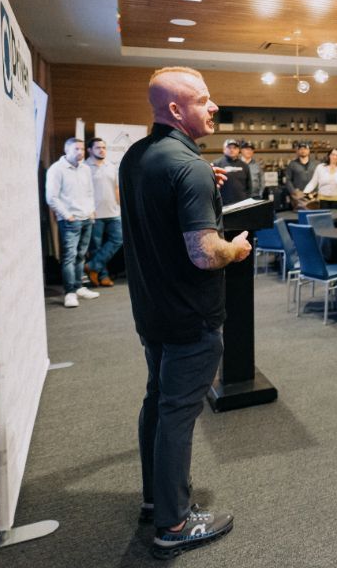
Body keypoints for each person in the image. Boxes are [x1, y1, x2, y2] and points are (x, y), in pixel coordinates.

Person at [120, 66, 249, 557]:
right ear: (176, 109)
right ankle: (173, 525)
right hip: (190, 315)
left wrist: (202, 185)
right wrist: (235, 249)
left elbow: (158, 205)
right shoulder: (188, 166)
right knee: (177, 413)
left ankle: (158, 500)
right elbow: (203, 252)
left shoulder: (137, 157)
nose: (214, 106)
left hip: (151, 309)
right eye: (203, 99)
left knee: (158, 401)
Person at [46, 137, 99, 308]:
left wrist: (91, 211)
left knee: (81, 255)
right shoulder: (57, 169)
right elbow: (51, 198)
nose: (80, 152)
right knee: (69, 257)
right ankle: (69, 292)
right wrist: (67, 215)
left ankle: (78, 287)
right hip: (70, 221)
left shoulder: (85, 169)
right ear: (66, 150)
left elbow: (90, 192)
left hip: (86, 218)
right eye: (76, 149)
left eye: (82, 149)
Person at [85, 138, 123, 288]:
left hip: (113, 211)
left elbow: (116, 188)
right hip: (95, 213)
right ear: (89, 150)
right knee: (95, 247)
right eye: (98, 147)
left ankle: (92, 266)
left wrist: (121, 206)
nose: (102, 150)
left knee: (119, 239)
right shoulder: (85, 167)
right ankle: (103, 275)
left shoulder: (111, 166)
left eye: (104, 147)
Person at [212, 139, 251, 206]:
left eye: (235, 148)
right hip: (223, 204)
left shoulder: (244, 165)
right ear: (224, 149)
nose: (232, 150)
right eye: (229, 147)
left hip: (242, 204)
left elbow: (249, 186)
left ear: (239, 150)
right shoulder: (217, 164)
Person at [284, 142, 316, 208]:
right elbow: (288, 180)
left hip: (313, 196)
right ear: (297, 151)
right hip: (298, 197)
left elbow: (320, 179)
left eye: (305, 149)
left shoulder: (315, 164)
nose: (303, 151)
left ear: (309, 150)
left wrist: (316, 191)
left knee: (313, 215)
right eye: (301, 149)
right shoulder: (292, 164)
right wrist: (293, 191)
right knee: (299, 216)